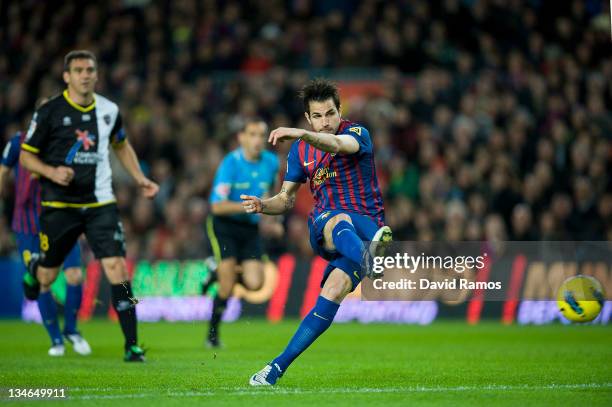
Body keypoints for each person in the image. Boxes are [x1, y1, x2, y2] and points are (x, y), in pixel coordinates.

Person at [242, 78, 392, 386]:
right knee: (337, 220)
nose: (325, 122)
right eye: (318, 116)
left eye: (330, 114)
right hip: (327, 223)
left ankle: (274, 369)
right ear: (309, 117)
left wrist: (299, 133)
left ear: (340, 112)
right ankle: (370, 261)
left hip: (367, 225)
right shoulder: (300, 152)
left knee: (333, 291)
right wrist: (262, 205)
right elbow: (286, 199)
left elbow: (338, 145)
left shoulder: (357, 132)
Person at [19, 50, 159, 362]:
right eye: (78, 70)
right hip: (59, 205)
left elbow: (122, 146)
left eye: (90, 69)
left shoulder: (109, 110)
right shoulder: (50, 112)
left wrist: (140, 178)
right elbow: (27, 155)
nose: (85, 74)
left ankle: (132, 346)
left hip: (100, 204)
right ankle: (34, 268)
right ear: (66, 76)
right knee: (46, 278)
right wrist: (52, 171)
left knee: (118, 268)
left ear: (96, 75)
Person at [1, 126, 90, 357]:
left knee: (75, 275)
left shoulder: (64, 143)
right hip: (28, 225)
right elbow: (2, 171)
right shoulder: (18, 142)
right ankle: (56, 340)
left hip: (61, 220)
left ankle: (72, 330)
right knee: (41, 282)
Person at [204, 117, 280, 348]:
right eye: (252, 134)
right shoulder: (231, 163)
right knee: (227, 288)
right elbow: (216, 206)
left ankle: (218, 273)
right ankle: (213, 335)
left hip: (250, 227)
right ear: (242, 138)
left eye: (261, 135)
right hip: (224, 225)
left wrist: (274, 219)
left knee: (256, 284)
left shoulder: (271, 162)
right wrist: (251, 207)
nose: (257, 140)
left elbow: (274, 194)